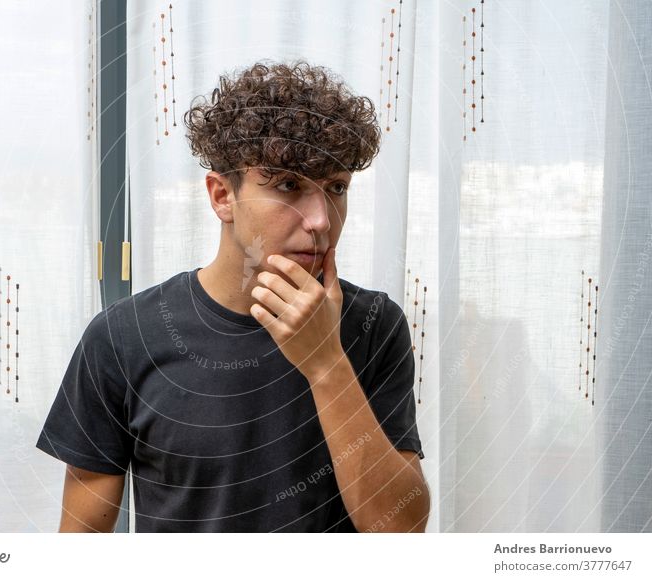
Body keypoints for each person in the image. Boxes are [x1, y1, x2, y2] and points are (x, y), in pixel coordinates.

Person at [36, 60, 429, 533]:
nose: (322, 220)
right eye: (288, 185)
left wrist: (326, 364)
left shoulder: (374, 326)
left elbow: (402, 533)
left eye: (336, 188)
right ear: (223, 196)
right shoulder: (123, 337)